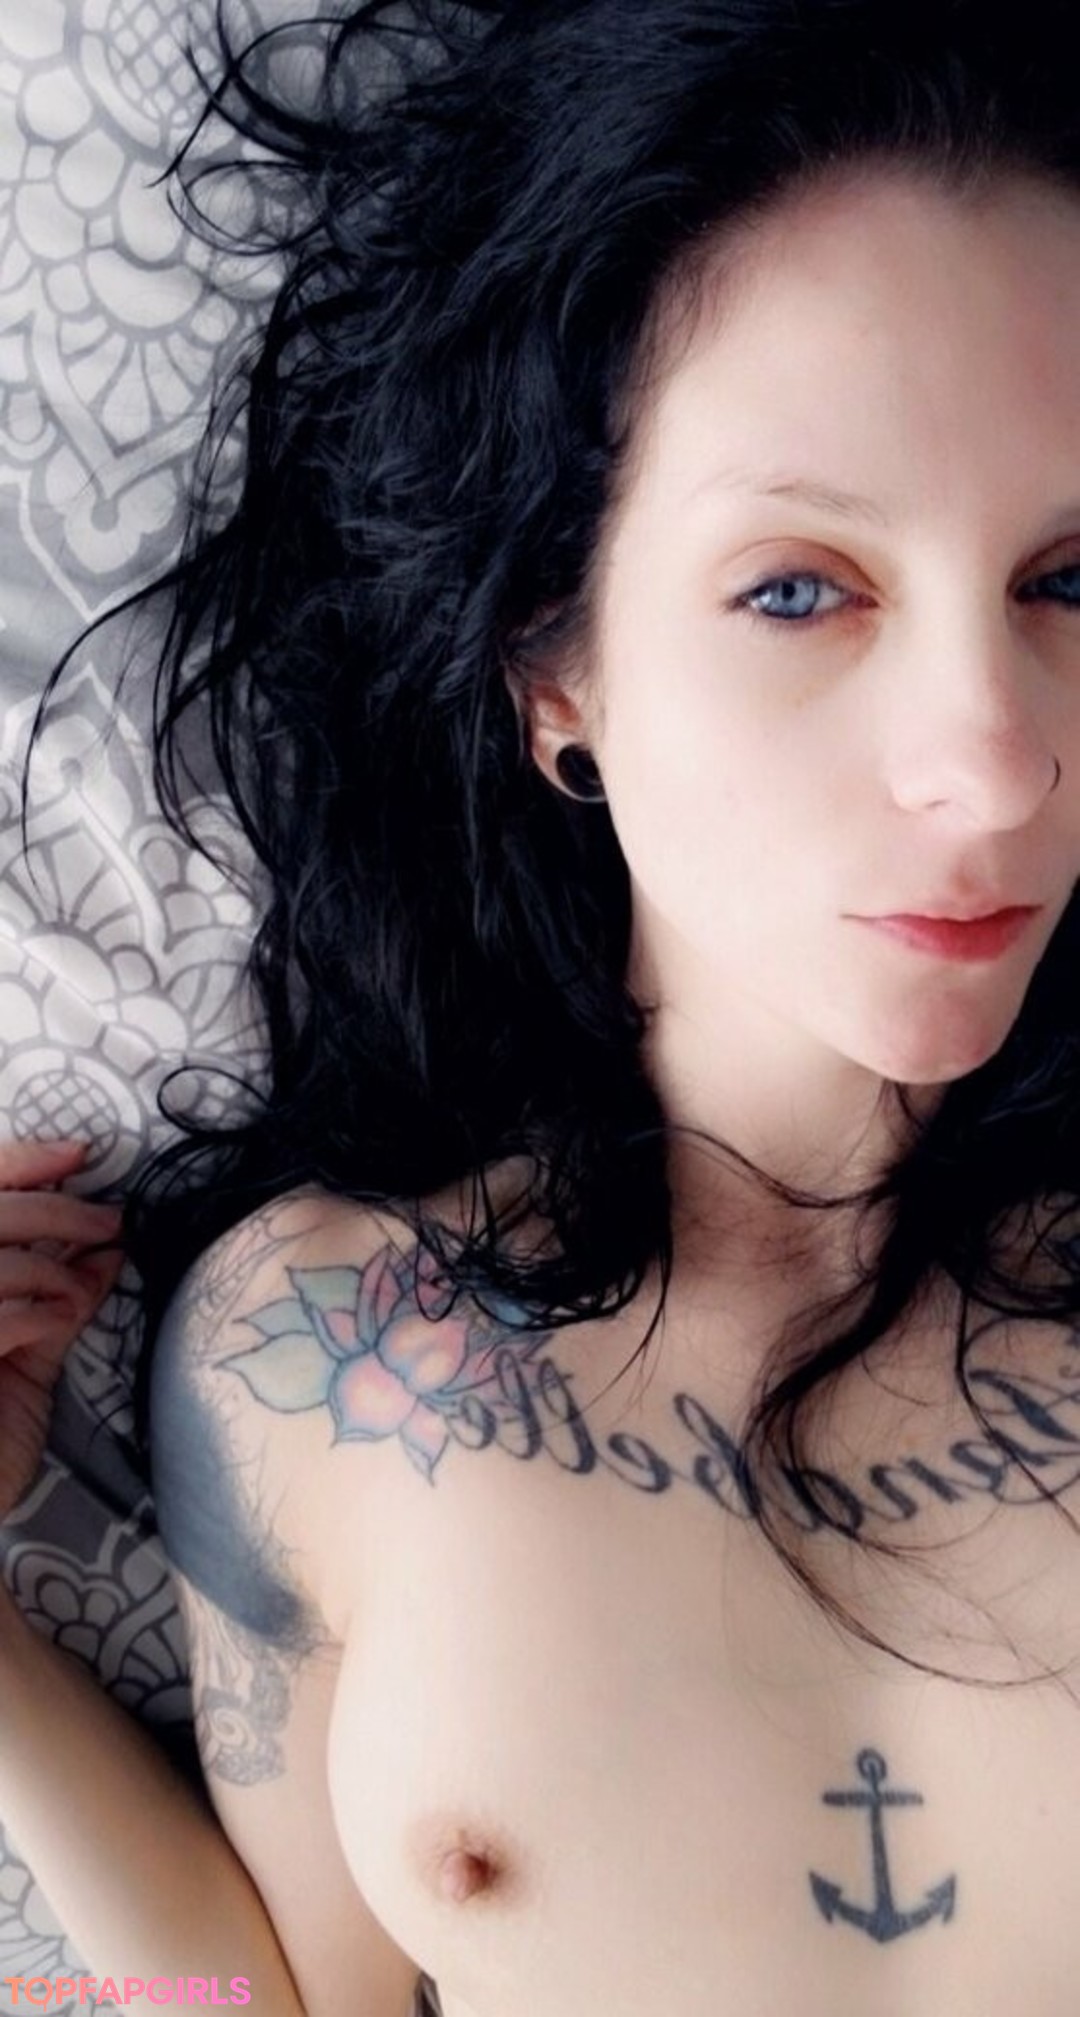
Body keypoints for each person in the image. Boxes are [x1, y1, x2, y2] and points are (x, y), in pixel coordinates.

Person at [5, 0, 1080, 2011]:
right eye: (799, 588)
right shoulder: (314, 1348)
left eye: (1074, 583)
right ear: (553, 663)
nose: (999, 757)